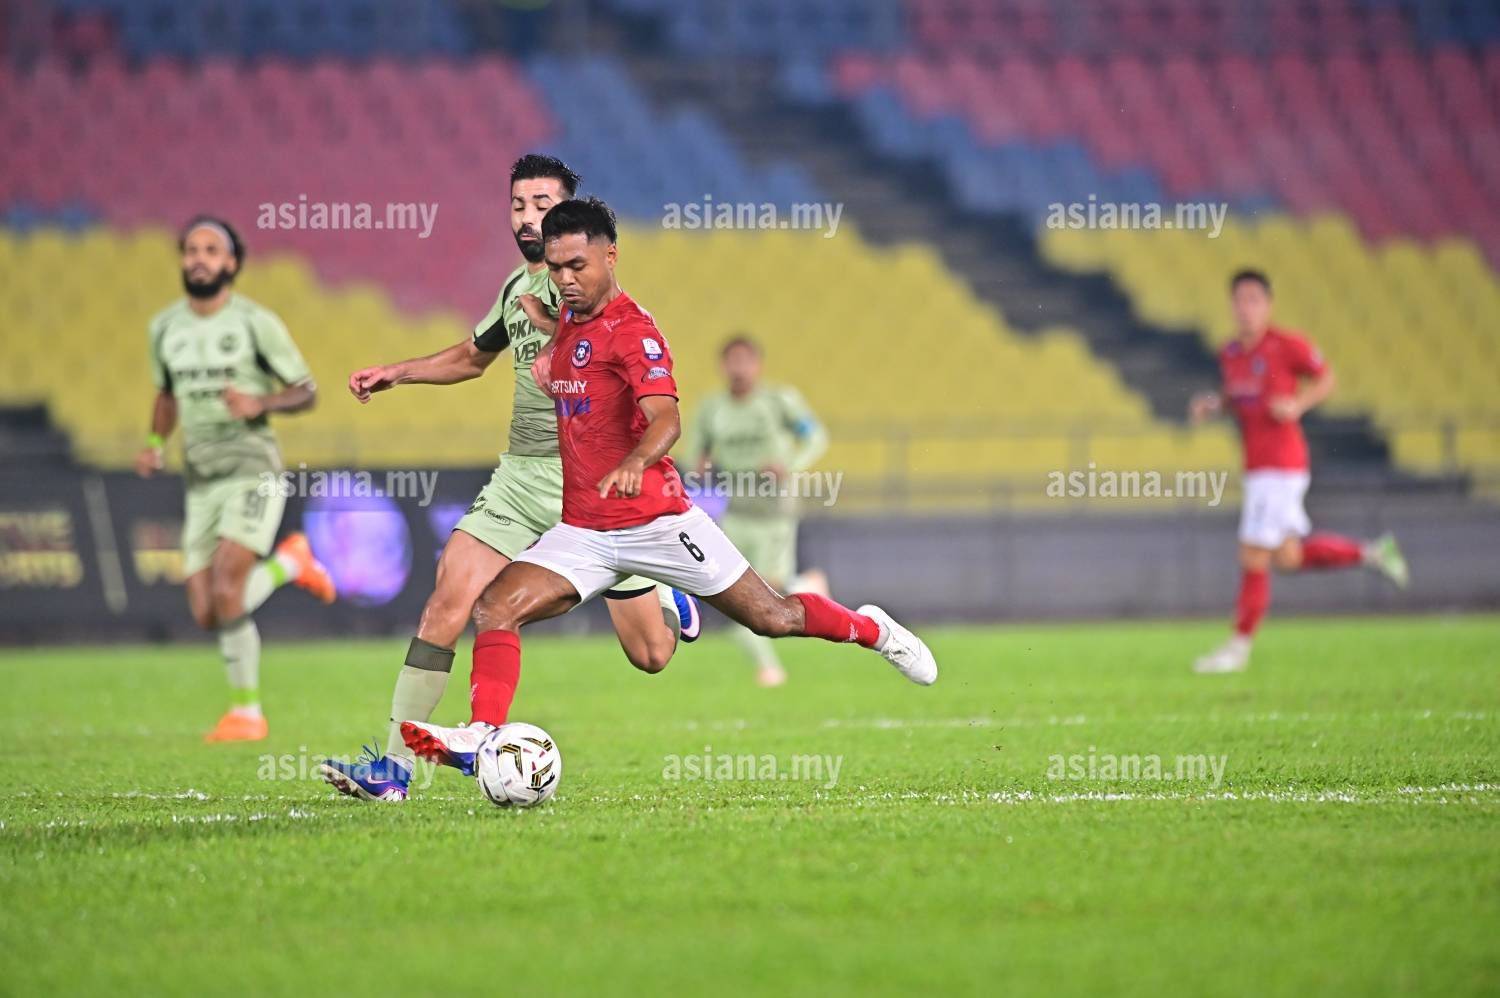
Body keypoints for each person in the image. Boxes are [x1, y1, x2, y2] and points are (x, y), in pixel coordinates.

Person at [398, 197, 936, 778]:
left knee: (773, 617)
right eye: (555, 268)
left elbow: (666, 418)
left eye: (577, 265)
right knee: (495, 606)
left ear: (611, 255)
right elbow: (579, 356)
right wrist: (551, 341)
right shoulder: (571, 317)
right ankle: (482, 735)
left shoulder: (636, 331)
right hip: (584, 531)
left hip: (658, 523)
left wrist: (635, 461)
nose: (565, 280)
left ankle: (874, 630)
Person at [320, 158, 699, 802]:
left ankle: (668, 596)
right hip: (521, 478)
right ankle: (394, 770)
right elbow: (474, 357)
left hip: (592, 482)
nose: (528, 217)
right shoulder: (514, 289)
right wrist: (398, 373)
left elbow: (600, 353)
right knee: (449, 596)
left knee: (651, 654)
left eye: (542, 205)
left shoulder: (585, 291)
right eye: (518, 204)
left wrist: (556, 337)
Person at [136, 216, 335, 742]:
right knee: (207, 612)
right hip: (201, 479)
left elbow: (306, 390)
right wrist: (155, 444)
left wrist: (259, 402)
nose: (198, 259)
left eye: (211, 250)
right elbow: (166, 394)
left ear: (231, 263)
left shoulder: (254, 323)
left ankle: (247, 714)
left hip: (253, 469)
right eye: (191, 250)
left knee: (228, 588)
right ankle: (292, 563)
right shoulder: (165, 327)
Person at [1189, 269, 1408, 674]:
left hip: (1282, 465)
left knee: (1252, 553)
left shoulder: (1288, 345)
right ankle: (1374, 552)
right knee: (1287, 558)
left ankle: (1238, 648)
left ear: (1268, 304)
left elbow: (1326, 379)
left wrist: (1297, 405)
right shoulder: (1231, 353)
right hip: (1258, 468)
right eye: (1240, 300)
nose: (1246, 308)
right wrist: (1213, 406)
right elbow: (1237, 397)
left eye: (1254, 299)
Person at [683, 336, 830, 686]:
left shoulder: (779, 401)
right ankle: (769, 666)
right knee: (737, 593)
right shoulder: (712, 408)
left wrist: (789, 464)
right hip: (735, 510)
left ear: (758, 365)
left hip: (774, 511)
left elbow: (815, 437)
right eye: (732, 361)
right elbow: (693, 454)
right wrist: (699, 466)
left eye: (745, 361)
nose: (739, 369)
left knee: (768, 590)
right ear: (722, 366)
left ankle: (798, 585)